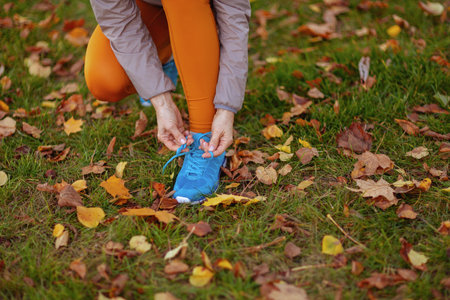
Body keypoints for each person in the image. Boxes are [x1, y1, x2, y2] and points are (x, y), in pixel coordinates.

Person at [84, 0, 251, 203]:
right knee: (105, 79)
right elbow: (119, 21)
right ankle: (167, 56)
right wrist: (160, 100)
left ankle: (207, 142)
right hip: (151, 7)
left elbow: (234, 21)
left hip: (200, 9)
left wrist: (226, 109)